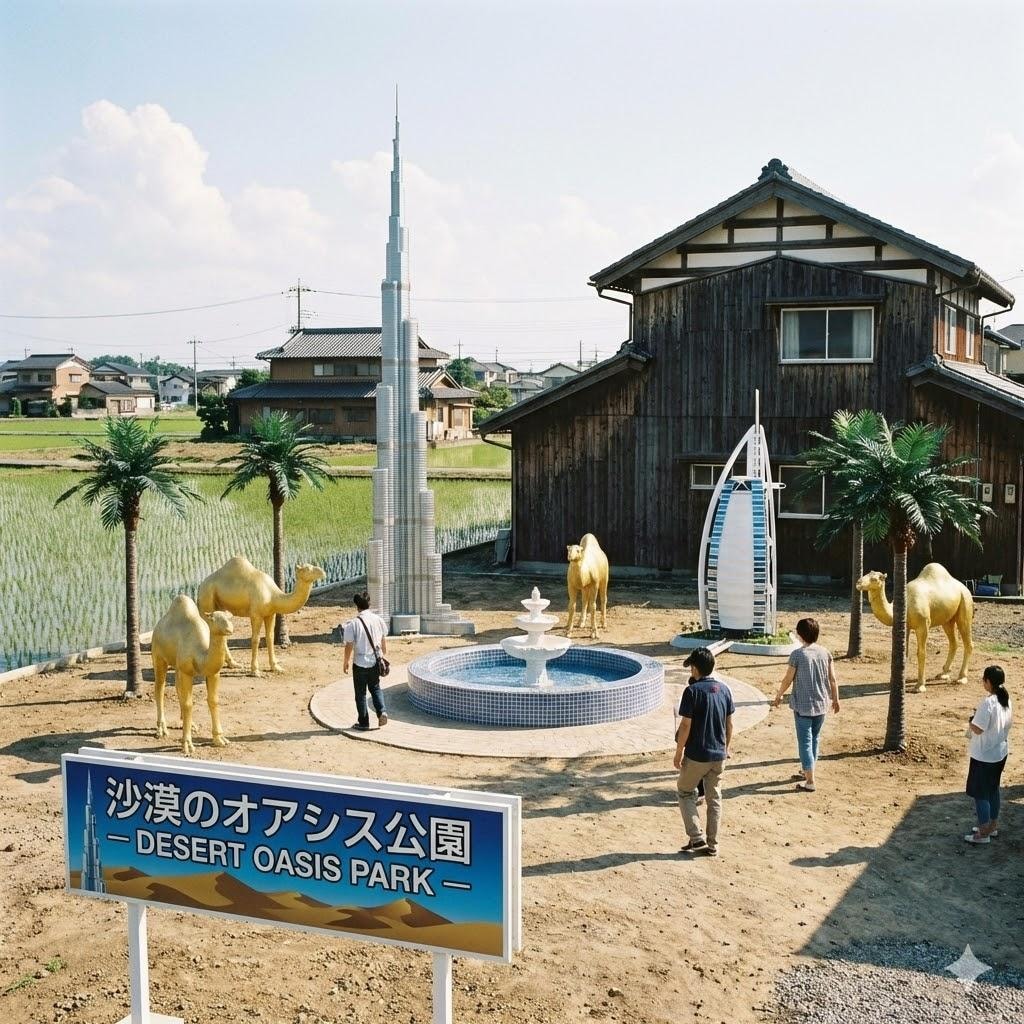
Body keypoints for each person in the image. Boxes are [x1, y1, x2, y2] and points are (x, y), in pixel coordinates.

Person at [673, 647, 734, 856]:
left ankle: (696, 836)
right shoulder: (724, 690)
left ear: (696, 668)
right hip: (719, 754)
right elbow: (729, 724)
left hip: (697, 754)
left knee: (685, 791)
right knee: (714, 798)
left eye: (691, 666)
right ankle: (713, 844)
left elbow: (685, 726)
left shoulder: (692, 691)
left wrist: (679, 751)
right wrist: (725, 749)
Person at [773, 617, 840, 792]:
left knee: (804, 742)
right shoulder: (825, 653)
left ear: (801, 634)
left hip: (803, 706)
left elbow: (788, 679)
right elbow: (832, 679)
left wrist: (779, 695)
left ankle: (810, 781)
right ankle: (808, 770)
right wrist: (836, 699)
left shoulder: (797, 655)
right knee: (815, 739)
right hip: (821, 704)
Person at [964, 665, 1012, 845]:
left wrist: (971, 721)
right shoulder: (1006, 699)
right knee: (993, 789)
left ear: (988, 682)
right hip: (1000, 752)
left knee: (980, 793)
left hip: (984, 755)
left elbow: (977, 728)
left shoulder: (988, 702)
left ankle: (983, 832)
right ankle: (992, 825)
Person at [341, 591, 389, 731]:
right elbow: (383, 641)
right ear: (369, 604)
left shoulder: (353, 624)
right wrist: (382, 653)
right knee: (375, 688)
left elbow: (349, 645)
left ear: (357, 606)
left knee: (360, 694)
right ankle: (382, 712)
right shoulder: (378, 620)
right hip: (375, 661)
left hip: (360, 662)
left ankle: (363, 722)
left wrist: (346, 661)